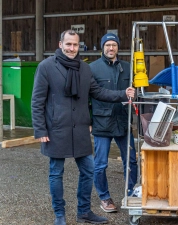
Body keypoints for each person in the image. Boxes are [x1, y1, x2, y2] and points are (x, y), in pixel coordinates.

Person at [31, 29, 136, 225]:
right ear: (60, 44)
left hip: (80, 128)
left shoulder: (84, 69)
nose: (72, 48)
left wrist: (123, 94)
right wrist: (40, 129)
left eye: (75, 45)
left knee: (88, 170)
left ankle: (84, 212)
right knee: (56, 172)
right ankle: (59, 215)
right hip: (56, 129)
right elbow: (37, 100)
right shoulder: (46, 67)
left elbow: (99, 92)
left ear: (79, 46)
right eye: (68, 44)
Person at [89, 33, 138, 213]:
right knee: (101, 164)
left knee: (131, 160)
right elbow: (88, 97)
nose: (111, 48)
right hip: (102, 123)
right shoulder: (92, 68)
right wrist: (88, 121)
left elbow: (136, 92)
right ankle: (104, 197)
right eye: (108, 45)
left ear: (118, 47)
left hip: (123, 121)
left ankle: (131, 192)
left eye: (114, 45)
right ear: (103, 47)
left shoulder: (128, 67)